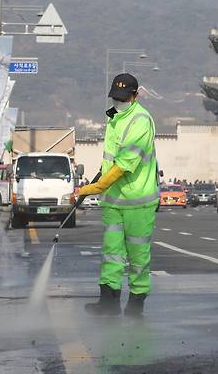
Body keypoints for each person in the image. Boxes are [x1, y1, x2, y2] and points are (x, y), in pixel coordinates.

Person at [77, 73, 158, 317]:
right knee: (111, 252)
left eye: (124, 98)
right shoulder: (112, 116)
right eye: (115, 98)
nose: (118, 102)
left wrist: (97, 187)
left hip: (138, 201)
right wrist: (100, 177)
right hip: (114, 200)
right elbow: (110, 156)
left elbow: (124, 164)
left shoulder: (141, 121)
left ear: (136, 95)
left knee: (137, 254)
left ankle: (136, 302)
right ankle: (108, 301)